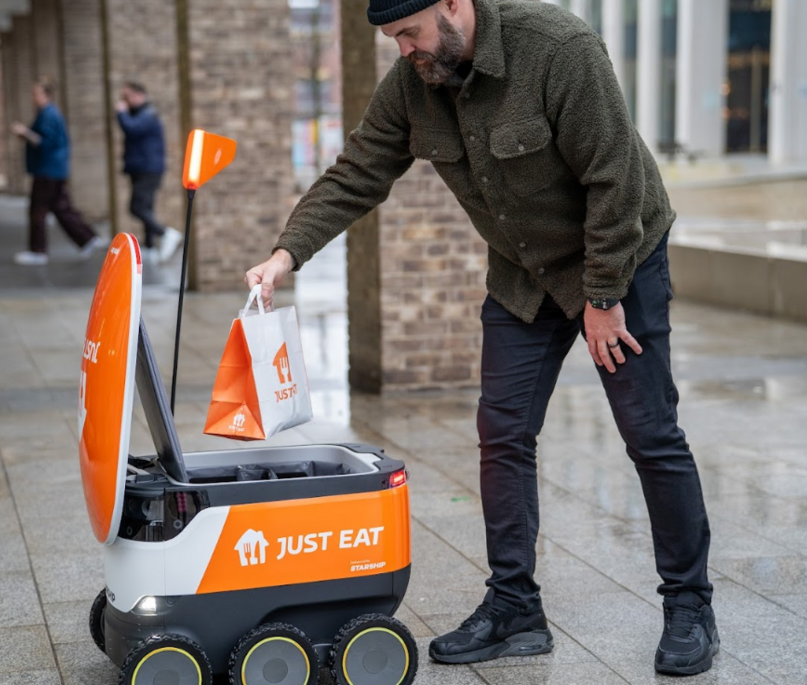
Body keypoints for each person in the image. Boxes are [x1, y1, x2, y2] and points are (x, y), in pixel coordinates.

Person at [245, 0, 716, 677]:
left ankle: (691, 605)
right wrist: (285, 254)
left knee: (649, 431)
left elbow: (615, 174)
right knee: (501, 430)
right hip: (524, 272)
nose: (402, 50)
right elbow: (357, 172)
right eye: (390, 39)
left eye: (408, 32)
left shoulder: (557, 47)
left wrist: (605, 296)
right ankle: (515, 607)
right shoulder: (415, 81)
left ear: (454, 6)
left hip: (619, 257)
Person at [10, 77, 107, 266]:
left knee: (38, 210)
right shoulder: (47, 113)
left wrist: (25, 133)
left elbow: (45, 143)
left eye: (35, 93)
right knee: (61, 208)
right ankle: (87, 239)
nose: (32, 97)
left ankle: (38, 251)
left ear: (46, 95)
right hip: (52, 169)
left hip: (48, 170)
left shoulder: (49, 115)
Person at [116, 81, 181, 264]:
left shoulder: (147, 114)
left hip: (148, 169)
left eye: (128, 97)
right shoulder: (139, 113)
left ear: (140, 95)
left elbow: (132, 129)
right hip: (140, 168)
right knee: (147, 208)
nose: (125, 102)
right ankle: (150, 247)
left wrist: (120, 113)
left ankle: (167, 233)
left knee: (136, 208)